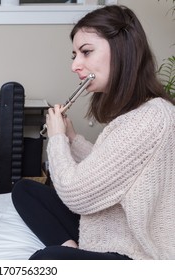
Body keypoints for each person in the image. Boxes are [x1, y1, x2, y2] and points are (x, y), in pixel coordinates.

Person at [12, 5, 175, 260]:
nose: (75, 65)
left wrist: (56, 140)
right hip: (112, 226)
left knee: (45, 260)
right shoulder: (143, 111)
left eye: (86, 52)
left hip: (136, 253)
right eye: (74, 55)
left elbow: (76, 195)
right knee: (24, 190)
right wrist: (72, 138)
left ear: (123, 50)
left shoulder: (149, 118)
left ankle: (68, 253)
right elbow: (108, 168)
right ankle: (72, 246)